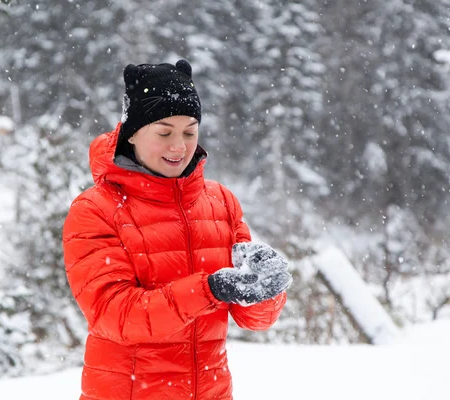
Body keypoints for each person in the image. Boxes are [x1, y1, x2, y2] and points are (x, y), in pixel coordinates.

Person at [62, 59, 292, 400]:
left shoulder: (221, 202)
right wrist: (209, 289)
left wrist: (266, 289)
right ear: (133, 133)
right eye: (164, 132)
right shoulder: (96, 209)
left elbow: (253, 319)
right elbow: (116, 315)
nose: (179, 146)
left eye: (190, 131)